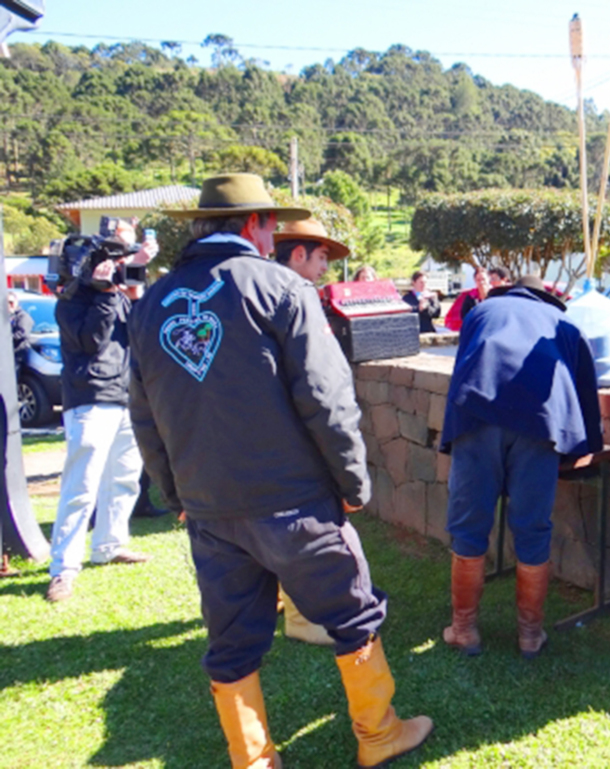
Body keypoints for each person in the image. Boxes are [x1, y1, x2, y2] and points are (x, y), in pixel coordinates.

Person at [128, 173, 431, 768]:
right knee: (353, 614)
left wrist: (175, 495)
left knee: (232, 644)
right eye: (271, 222)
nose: (274, 234)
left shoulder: (150, 307)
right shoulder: (281, 289)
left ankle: (254, 760)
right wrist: (352, 483)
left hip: (209, 510)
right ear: (254, 225)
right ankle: (378, 735)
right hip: (294, 503)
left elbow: (145, 417)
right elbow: (327, 399)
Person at [440, 275, 602, 658]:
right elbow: (585, 389)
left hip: (478, 413)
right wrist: (584, 451)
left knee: (469, 525)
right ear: (546, 297)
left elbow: (463, 365)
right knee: (532, 527)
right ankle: (530, 635)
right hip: (540, 422)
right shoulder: (564, 323)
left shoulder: (482, 310)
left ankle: (464, 629)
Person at [45, 225, 157, 603]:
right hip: (90, 397)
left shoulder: (118, 295)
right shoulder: (74, 300)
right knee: (82, 486)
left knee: (123, 478)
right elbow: (92, 339)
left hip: (124, 395)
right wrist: (107, 292)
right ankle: (63, 567)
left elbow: (140, 328)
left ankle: (109, 543)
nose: (120, 266)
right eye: (116, 260)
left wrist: (136, 278)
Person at [274, 217, 354, 648]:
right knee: (297, 532)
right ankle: (303, 617)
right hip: (290, 441)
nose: (325, 267)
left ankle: (281, 602)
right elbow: (320, 387)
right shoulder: (292, 297)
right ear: (299, 253)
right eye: (322, 257)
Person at [273, 217, 350, 284]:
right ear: (299, 255)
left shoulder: (265, 287)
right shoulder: (300, 294)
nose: (325, 268)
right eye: (321, 257)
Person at [8, 291, 33, 377]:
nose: (9, 305)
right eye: (7, 303)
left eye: (11, 302)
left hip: (18, 355)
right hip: (8, 356)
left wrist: (6, 339)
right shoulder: (7, 316)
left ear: (16, 302)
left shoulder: (23, 317)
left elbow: (21, 334)